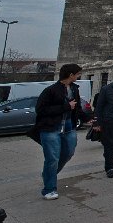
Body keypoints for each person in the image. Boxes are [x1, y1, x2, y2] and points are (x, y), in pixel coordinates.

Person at [34, 63, 83, 200]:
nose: (79, 76)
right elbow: (41, 110)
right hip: (51, 128)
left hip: (68, 126)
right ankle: (49, 189)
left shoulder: (74, 89)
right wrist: (66, 106)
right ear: (71, 75)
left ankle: (49, 174)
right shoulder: (51, 90)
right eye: (78, 74)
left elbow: (77, 107)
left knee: (68, 153)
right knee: (52, 158)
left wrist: (89, 118)